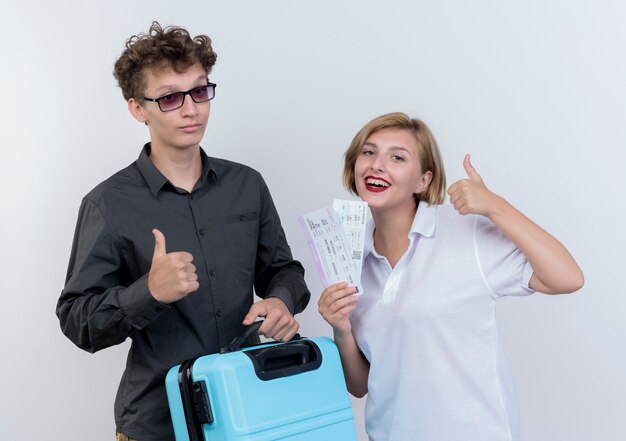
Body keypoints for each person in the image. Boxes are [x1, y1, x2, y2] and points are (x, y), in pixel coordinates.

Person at [56, 22, 310, 441]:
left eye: (200, 90)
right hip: (159, 421)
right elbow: (77, 321)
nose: (191, 109)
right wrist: (148, 292)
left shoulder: (247, 185)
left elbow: (283, 270)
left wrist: (281, 301)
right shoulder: (109, 204)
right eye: (171, 97)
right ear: (138, 108)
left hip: (248, 407)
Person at [318, 112, 584, 441]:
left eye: (397, 157)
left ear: (423, 181)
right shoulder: (349, 255)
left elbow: (567, 277)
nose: (376, 165)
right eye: (368, 152)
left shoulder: (465, 233)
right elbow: (360, 385)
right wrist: (341, 327)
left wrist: (495, 206)